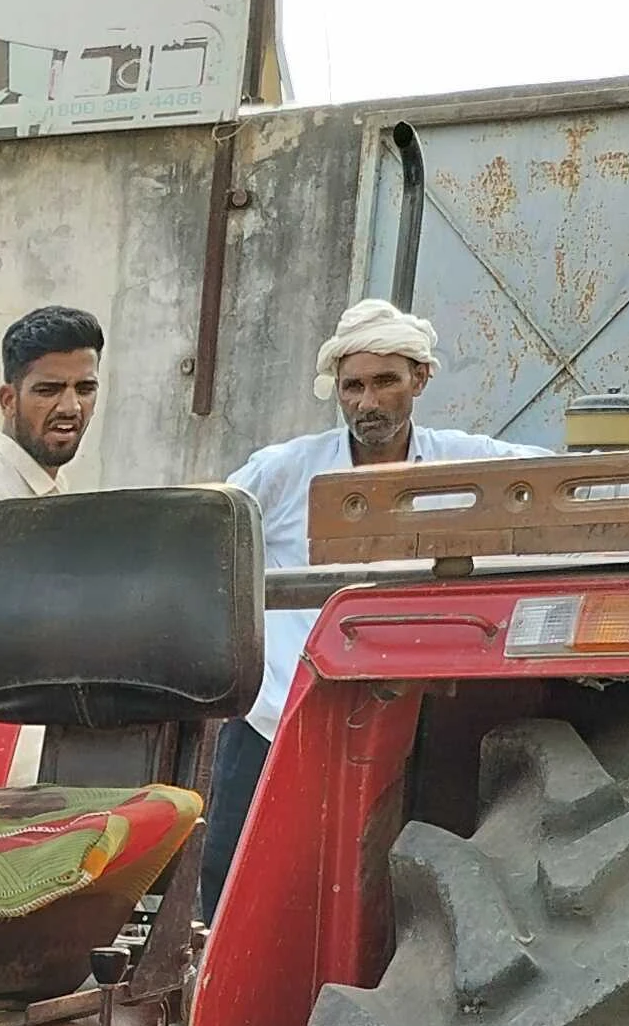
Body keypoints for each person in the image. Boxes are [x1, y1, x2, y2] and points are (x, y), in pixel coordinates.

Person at [198, 299, 529, 912]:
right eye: (353, 386)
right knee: (234, 892)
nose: (367, 403)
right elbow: (201, 531)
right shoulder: (283, 471)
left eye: (385, 382)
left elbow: (562, 484)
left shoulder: (464, 462)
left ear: (420, 380)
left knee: (395, 896)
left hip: (410, 721)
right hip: (277, 722)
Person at [0, 305, 101, 513]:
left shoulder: (50, 486)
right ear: (8, 401)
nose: (70, 407)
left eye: (85, 389)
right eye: (48, 390)